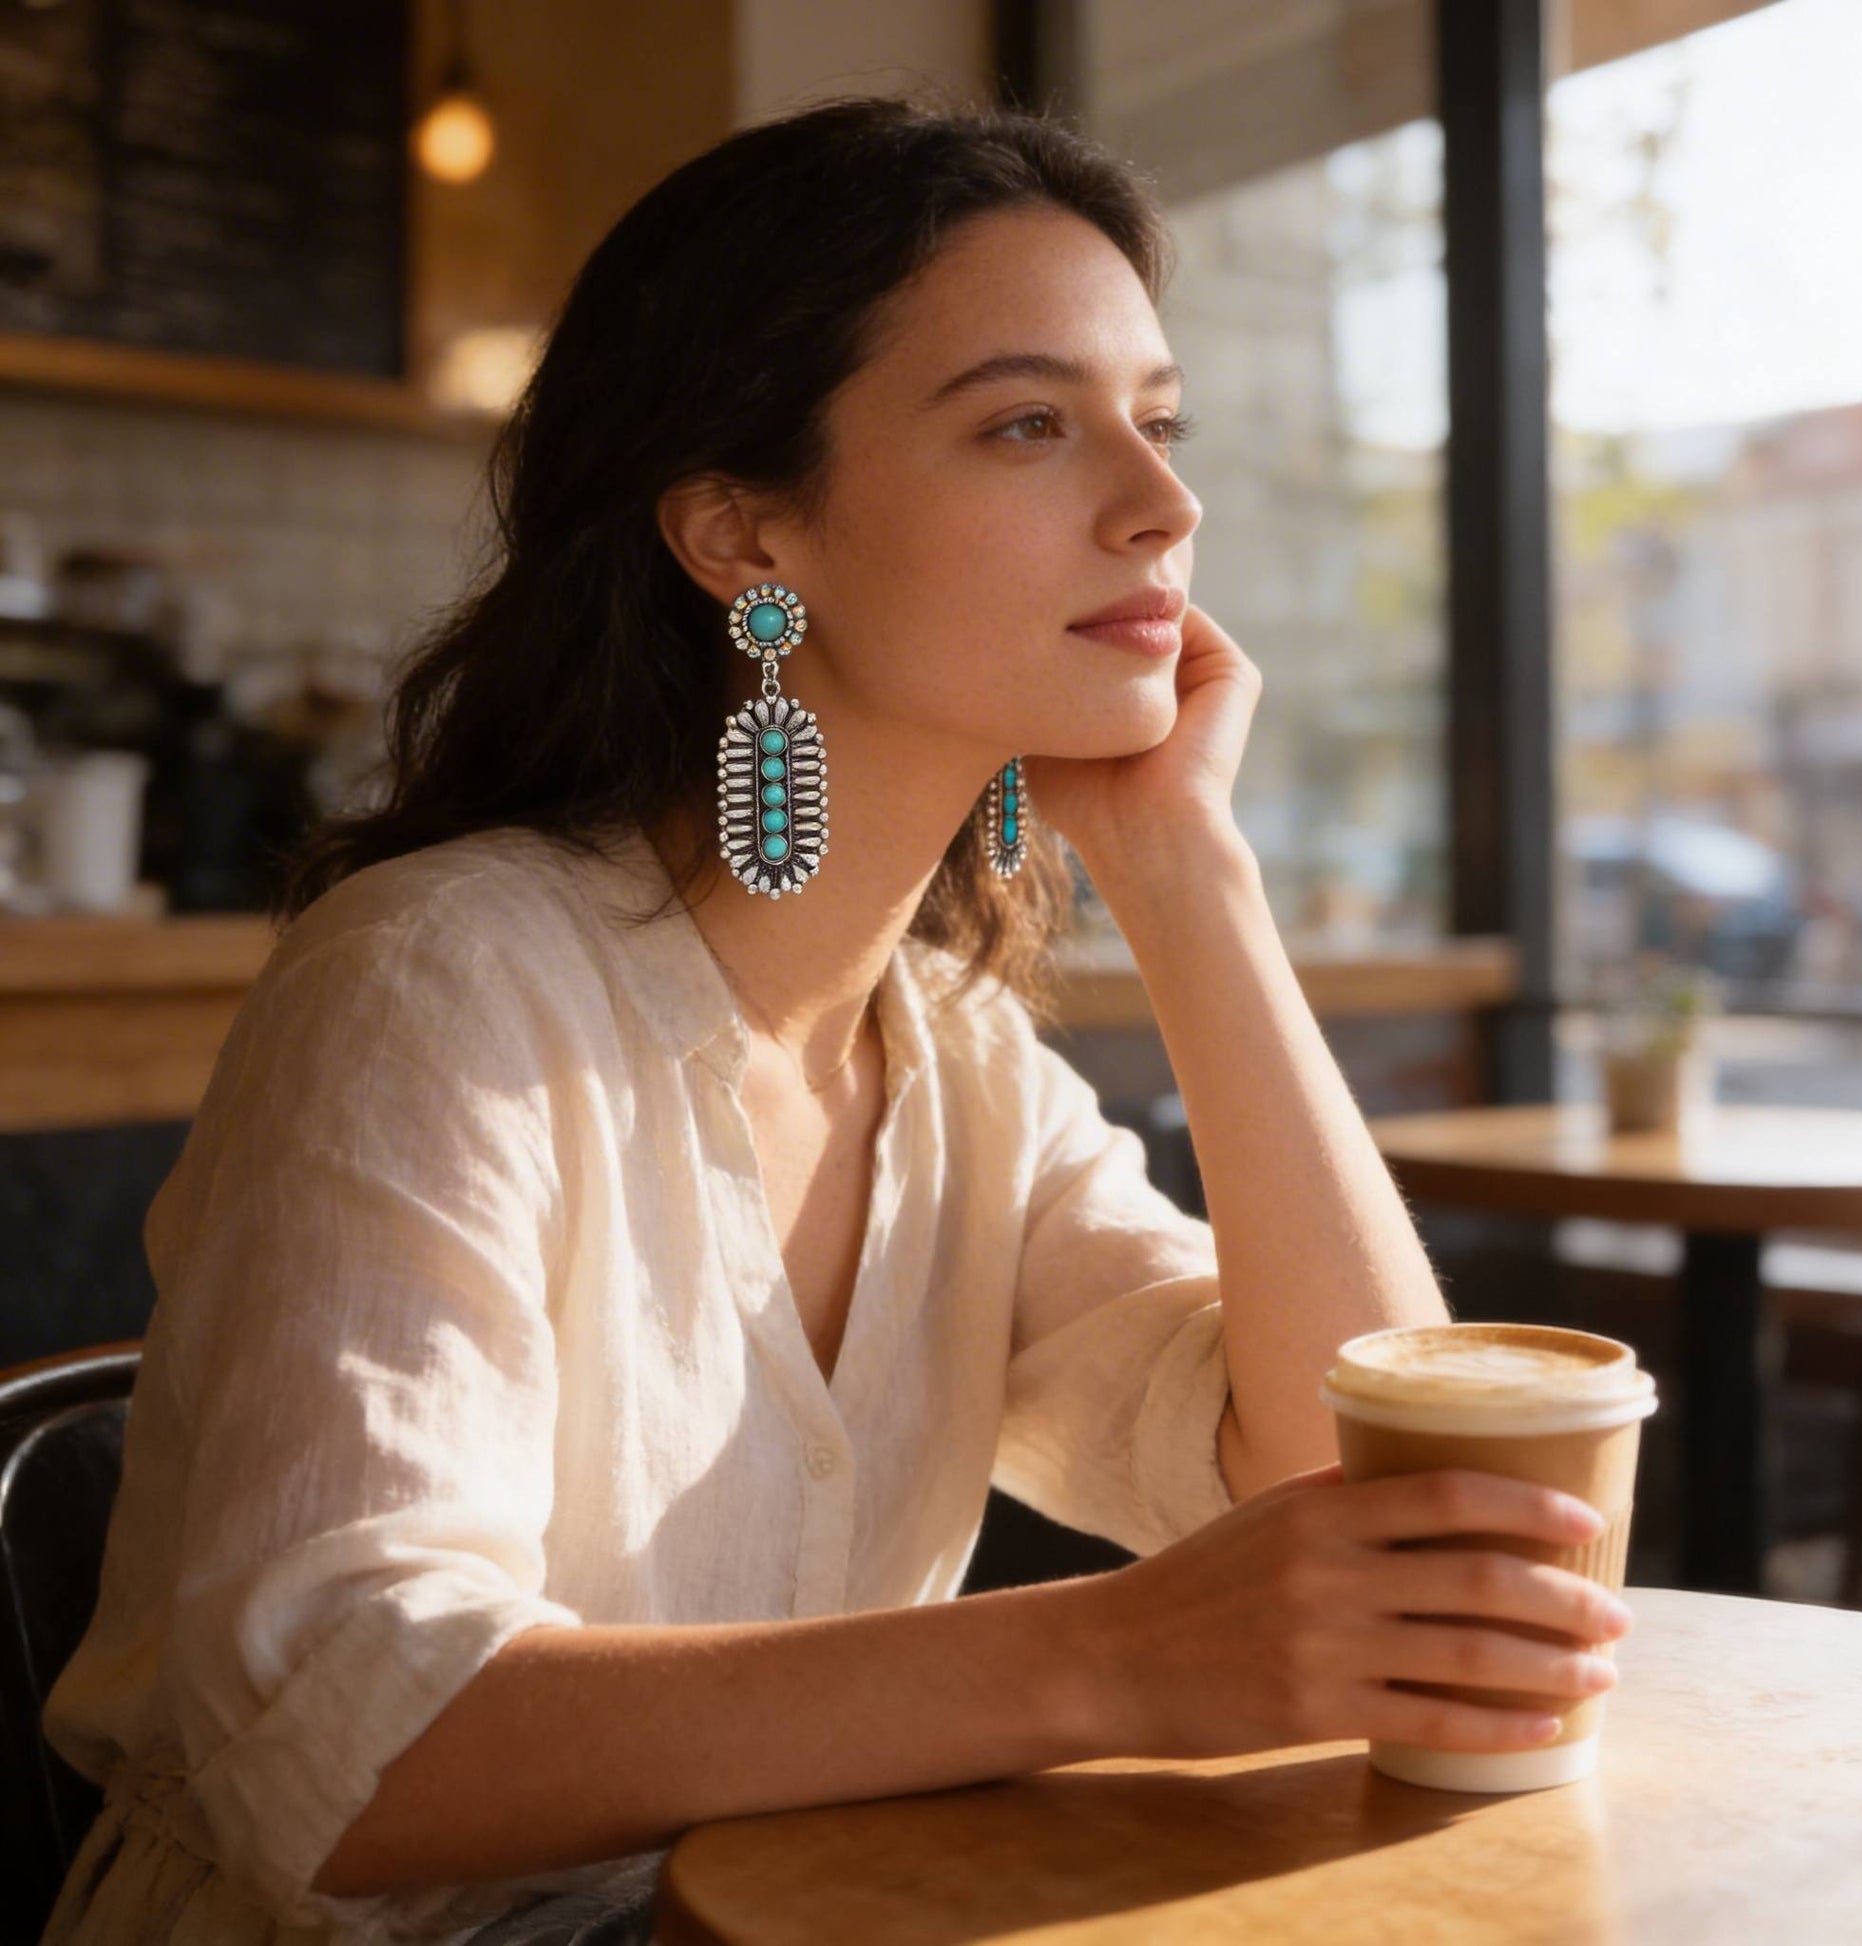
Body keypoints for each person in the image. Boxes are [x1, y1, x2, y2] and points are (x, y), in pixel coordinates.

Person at [37, 91, 1631, 1945]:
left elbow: (1352, 1479)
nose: (1164, 502)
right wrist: (1114, 1658)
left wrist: (1191, 879)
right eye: (1031, 423)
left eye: (1159, 419)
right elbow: (353, 1743)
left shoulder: (954, 1053)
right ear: (743, 536)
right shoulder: (442, 978)